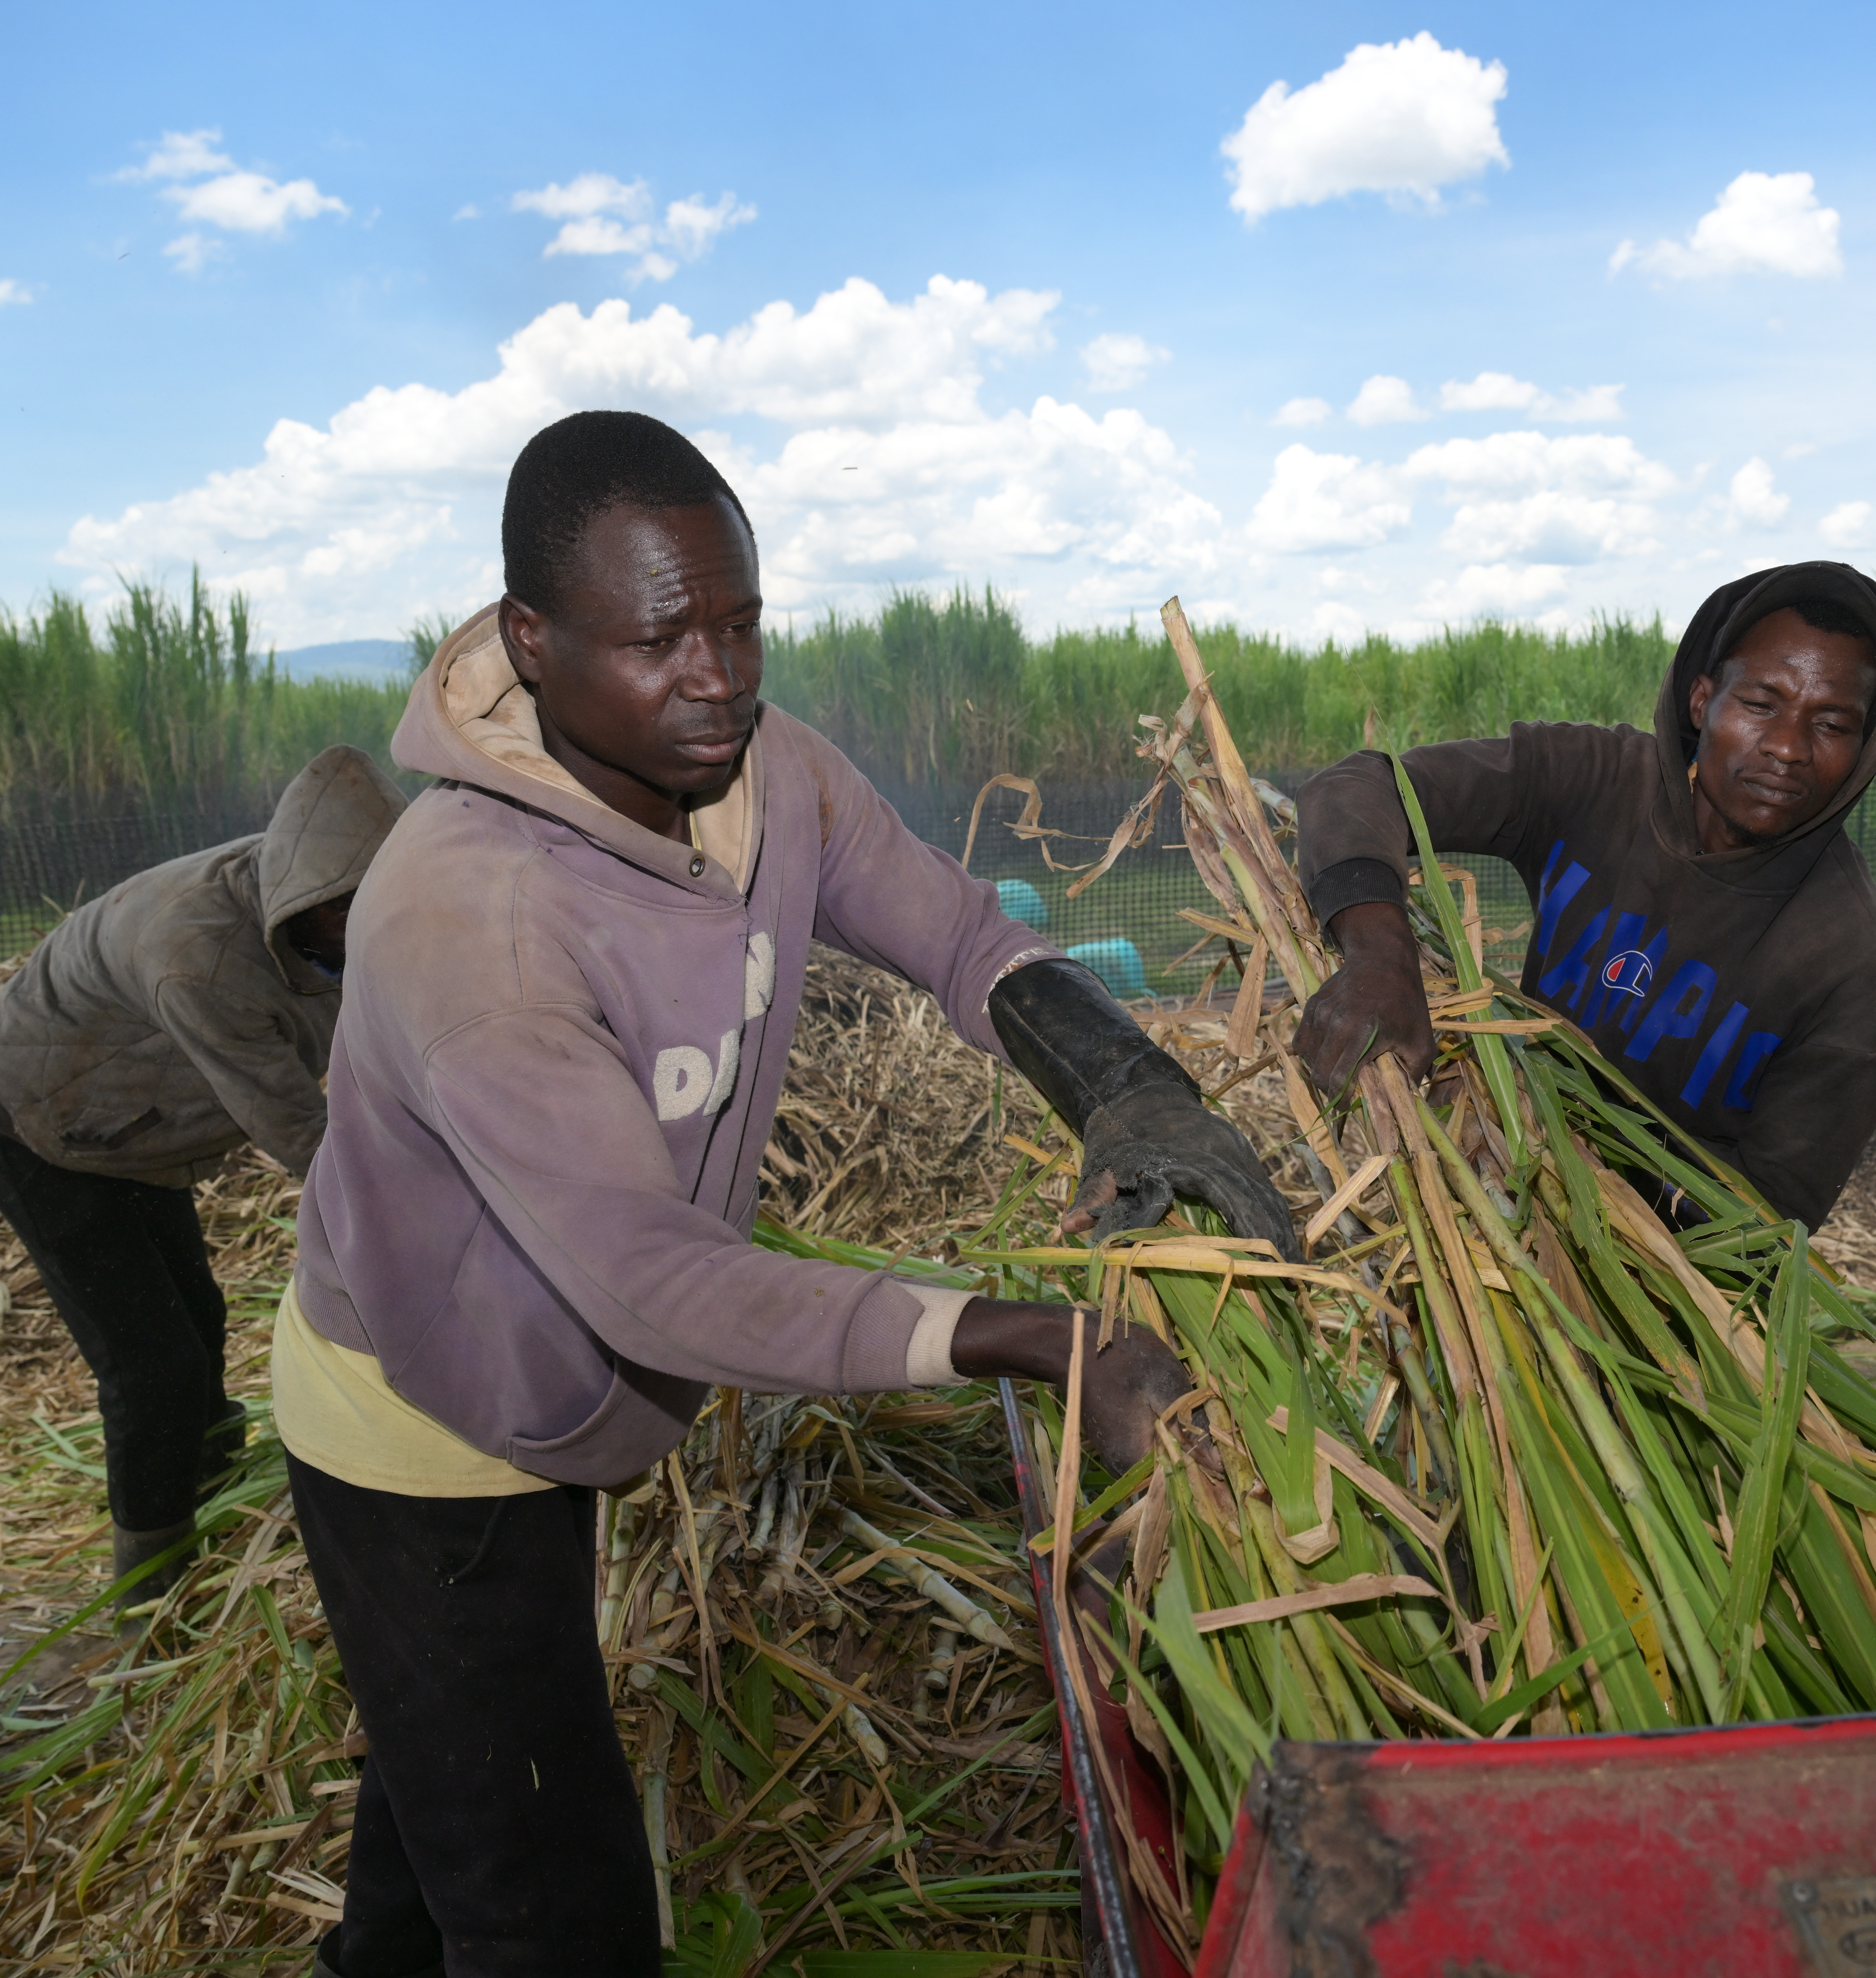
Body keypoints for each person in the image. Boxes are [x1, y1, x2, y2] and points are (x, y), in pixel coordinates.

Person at [278, 409, 1293, 1978]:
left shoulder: (769, 775)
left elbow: (963, 938)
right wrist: (1036, 1337)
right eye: (665, 637)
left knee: (459, 1792)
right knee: (558, 1917)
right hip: (427, 1423)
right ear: (532, 644)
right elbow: (654, 1279)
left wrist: (1126, 1081)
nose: (721, 674)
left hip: (550, 1384)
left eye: (743, 622)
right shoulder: (475, 922)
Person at [1291, 562, 1876, 1230]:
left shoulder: (1857, 966)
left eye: (1832, 726)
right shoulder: (1597, 783)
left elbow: (1767, 1219)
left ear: (1867, 747)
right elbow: (1357, 789)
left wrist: (1571, 1177)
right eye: (1761, 705)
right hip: (1491, 1205)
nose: (1789, 748)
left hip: (1646, 1298)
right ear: (1703, 701)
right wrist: (1382, 962)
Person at [0, 744, 407, 1619]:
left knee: (198, 1318)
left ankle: (215, 1498)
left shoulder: (325, 891)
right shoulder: (201, 959)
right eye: (366, 908)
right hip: (37, 1120)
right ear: (318, 899)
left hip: (131, 1120)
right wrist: (412, 1238)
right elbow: (303, 1133)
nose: (392, 918)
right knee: (151, 1364)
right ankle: (147, 1597)